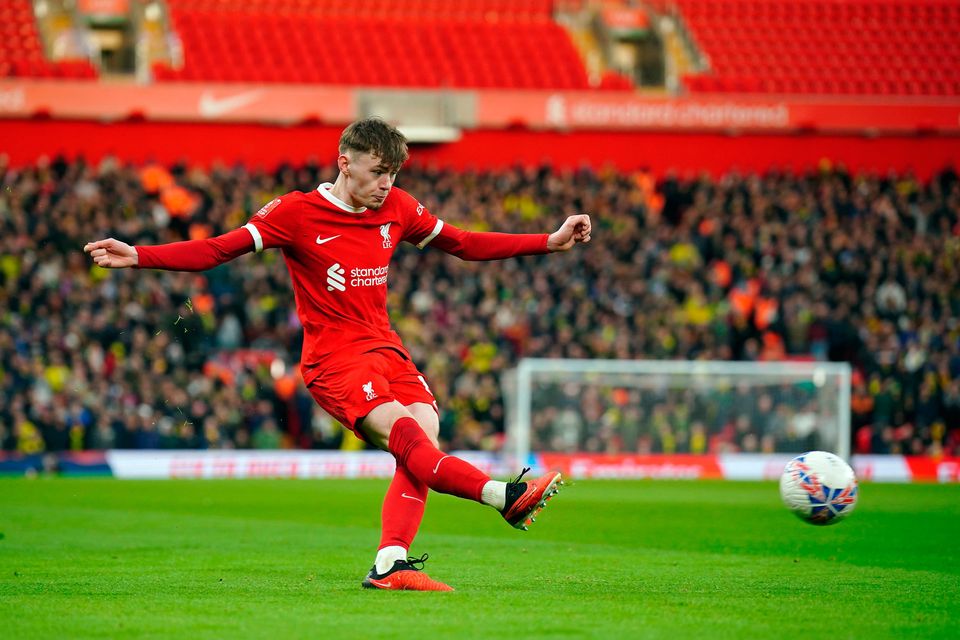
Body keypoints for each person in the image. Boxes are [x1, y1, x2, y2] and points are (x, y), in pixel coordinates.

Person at [85, 117, 592, 591]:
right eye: (376, 173)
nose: (385, 185)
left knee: (420, 447)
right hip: (335, 361)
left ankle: (391, 562)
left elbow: (462, 243)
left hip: (388, 349)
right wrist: (140, 255)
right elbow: (219, 249)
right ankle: (502, 496)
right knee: (413, 440)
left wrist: (548, 241)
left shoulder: (397, 207)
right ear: (345, 162)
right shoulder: (297, 212)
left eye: (392, 175)